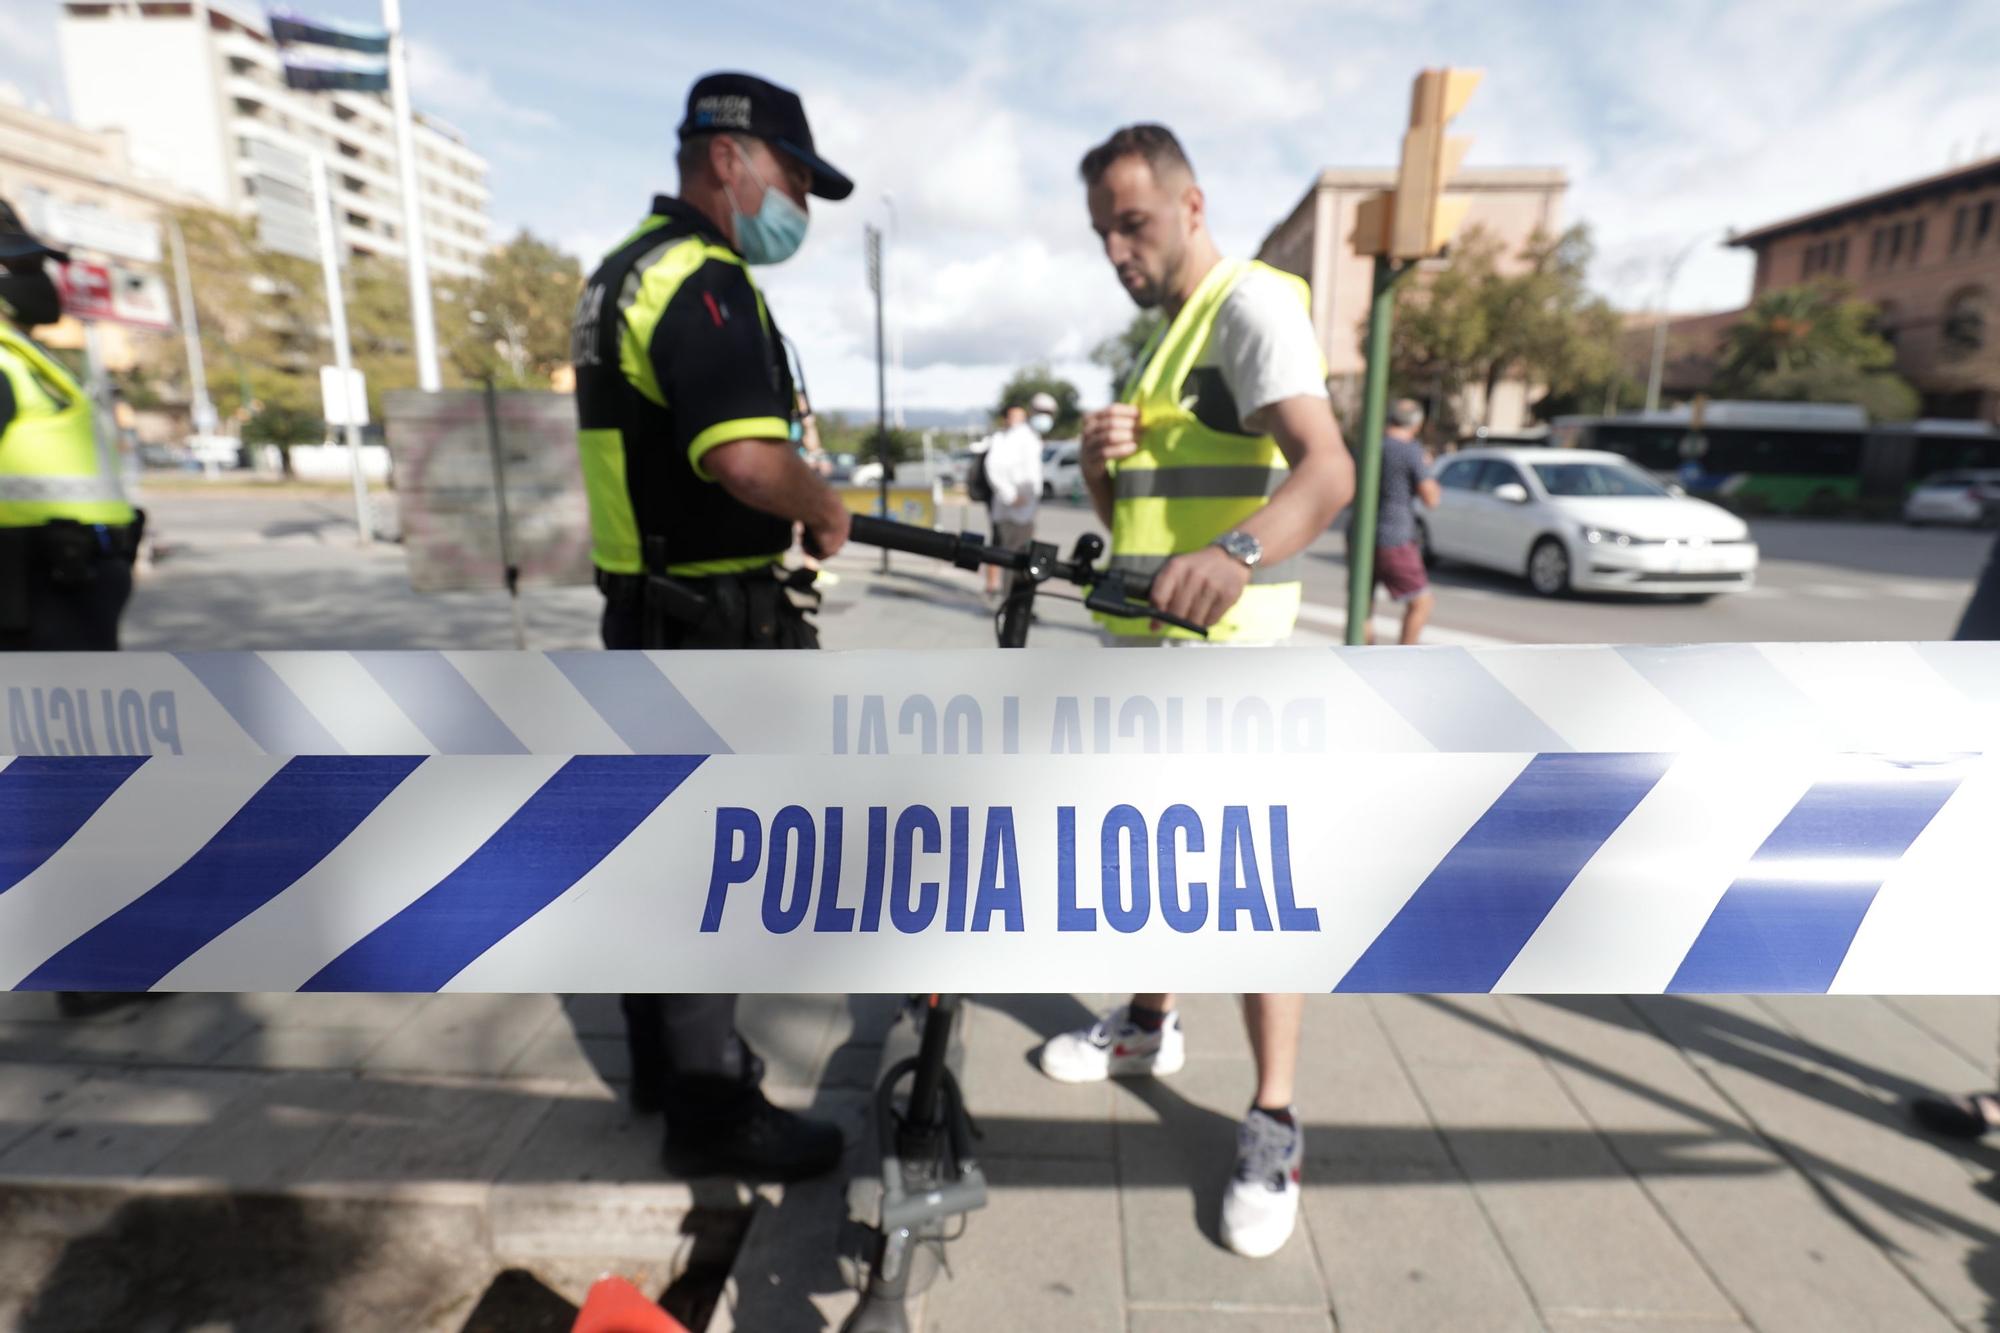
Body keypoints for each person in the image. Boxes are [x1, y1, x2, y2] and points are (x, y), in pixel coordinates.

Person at [1041, 124, 1354, 1259]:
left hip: (1228, 668)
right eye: (1100, 234)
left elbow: (1326, 467)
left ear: (1188, 203)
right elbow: (1126, 515)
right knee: (1149, 856)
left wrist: (1238, 554)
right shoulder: (1160, 343)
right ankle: (1150, 1021)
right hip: (1147, 659)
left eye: (1131, 222)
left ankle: (1271, 1118)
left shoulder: (1247, 305)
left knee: (1251, 889)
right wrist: (1096, 457)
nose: (1117, 250)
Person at [569, 72, 853, 1183]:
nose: (801, 208)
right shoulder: (704, 281)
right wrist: (821, 501)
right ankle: (710, 1104)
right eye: (794, 178)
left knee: (657, 850)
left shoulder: (622, 271)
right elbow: (741, 459)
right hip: (706, 619)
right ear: (728, 159)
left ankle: (662, 1064)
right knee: (710, 863)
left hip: (642, 604)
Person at [0, 200, 148, 1022]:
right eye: (21, 264)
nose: (42, 280)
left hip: (62, 600)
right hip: (32, 605)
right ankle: (87, 963)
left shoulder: (22, 356)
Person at [1367, 398, 1441, 645]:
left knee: (1362, 606)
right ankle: (1405, 657)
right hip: (1395, 535)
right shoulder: (1410, 450)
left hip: (1360, 533)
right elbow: (1431, 498)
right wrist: (1426, 467)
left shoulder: (1370, 445)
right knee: (1422, 601)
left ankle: (1361, 659)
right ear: (1417, 424)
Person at [980, 397, 1046, 599]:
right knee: (1013, 557)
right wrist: (1011, 496)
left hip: (1023, 509)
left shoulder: (1026, 437)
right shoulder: (1003, 439)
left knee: (1020, 555)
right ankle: (1013, 600)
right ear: (1005, 418)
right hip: (1011, 510)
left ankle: (1016, 599)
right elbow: (994, 470)